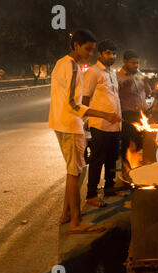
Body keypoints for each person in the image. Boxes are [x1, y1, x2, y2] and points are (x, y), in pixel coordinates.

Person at [49, 29, 121, 233]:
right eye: (88, 49)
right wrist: (104, 115)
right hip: (70, 125)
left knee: (73, 172)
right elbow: (73, 105)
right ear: (76, 46)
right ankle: (76, 222)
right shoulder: (72, 67)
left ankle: (66, 215)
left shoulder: (60, 63)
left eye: (92, 50)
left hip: (60, 123)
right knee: (76, 173)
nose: (90, 53)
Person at [82, 39, 123, 207]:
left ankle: (109, 188)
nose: (111, 56)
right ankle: (91, 194)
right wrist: (85, 119)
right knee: (98, 159)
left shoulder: (112, 72)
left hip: (115, 125)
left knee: (112, 158)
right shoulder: (93, 72)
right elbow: (85, 97)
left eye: (114, 53)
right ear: (100, 54)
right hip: (99, 124)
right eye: (108, 53)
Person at [117, 50, 149, 179]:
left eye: (137, 63)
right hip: (128, 115)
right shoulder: (118, 77)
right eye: (133, 63)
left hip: (141, 115)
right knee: (127, 144)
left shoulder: (140, 75)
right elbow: (115, 95)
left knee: (141, 144)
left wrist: (147, 83)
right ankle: (126, 174)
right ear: (125, 62)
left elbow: (148, 92)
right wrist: (124, 85)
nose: (136, 65)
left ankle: (140, 172)